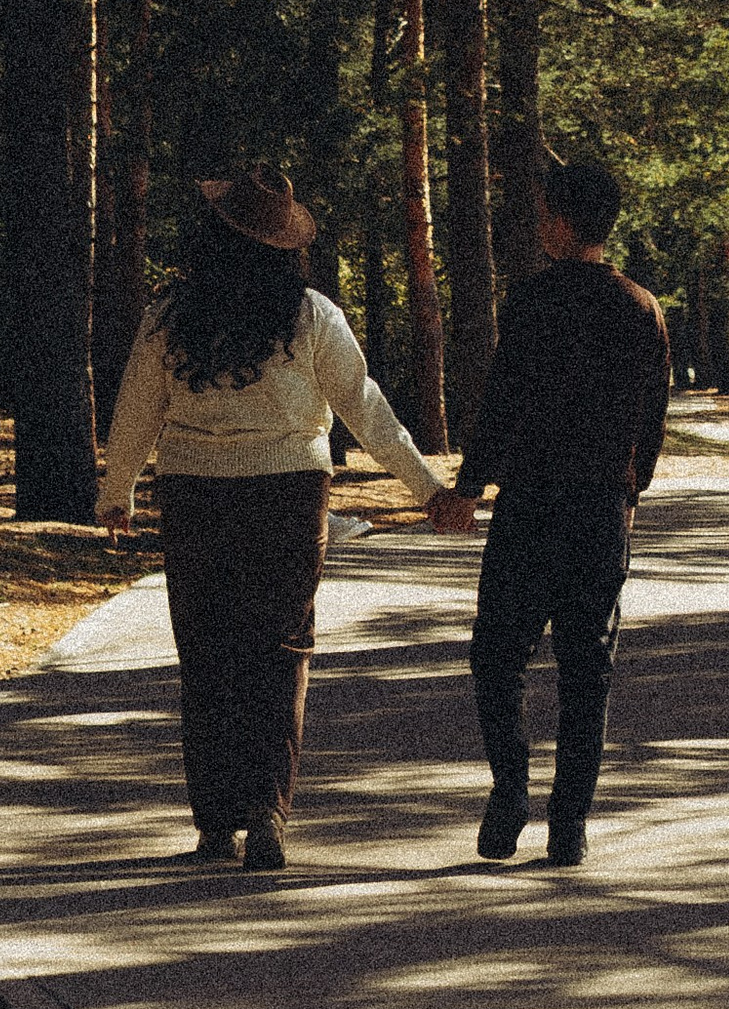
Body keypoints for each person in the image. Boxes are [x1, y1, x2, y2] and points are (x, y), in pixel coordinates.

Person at [99, 153, 452, 871]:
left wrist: (118, 493)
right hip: (289, 497)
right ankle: (266, 813)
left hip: (196, 495)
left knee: (206, 654)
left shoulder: (169, 315)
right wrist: (428, 488)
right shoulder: (312, 315)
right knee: (281, 651)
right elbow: (366, 410)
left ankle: (212, 822)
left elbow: (138, 408)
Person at [428, 152, 673, 868]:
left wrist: (469, 488)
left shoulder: (532, 304)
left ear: (563, 223)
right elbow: (651, 421)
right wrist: (632, 490)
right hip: (600, 512)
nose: (538, 225)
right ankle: (570, 825)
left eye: (543, 214)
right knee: (585, 667)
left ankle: (510, 794)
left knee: (498, 654)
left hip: (531, 508)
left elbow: (502, 406)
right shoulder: (641, 307)